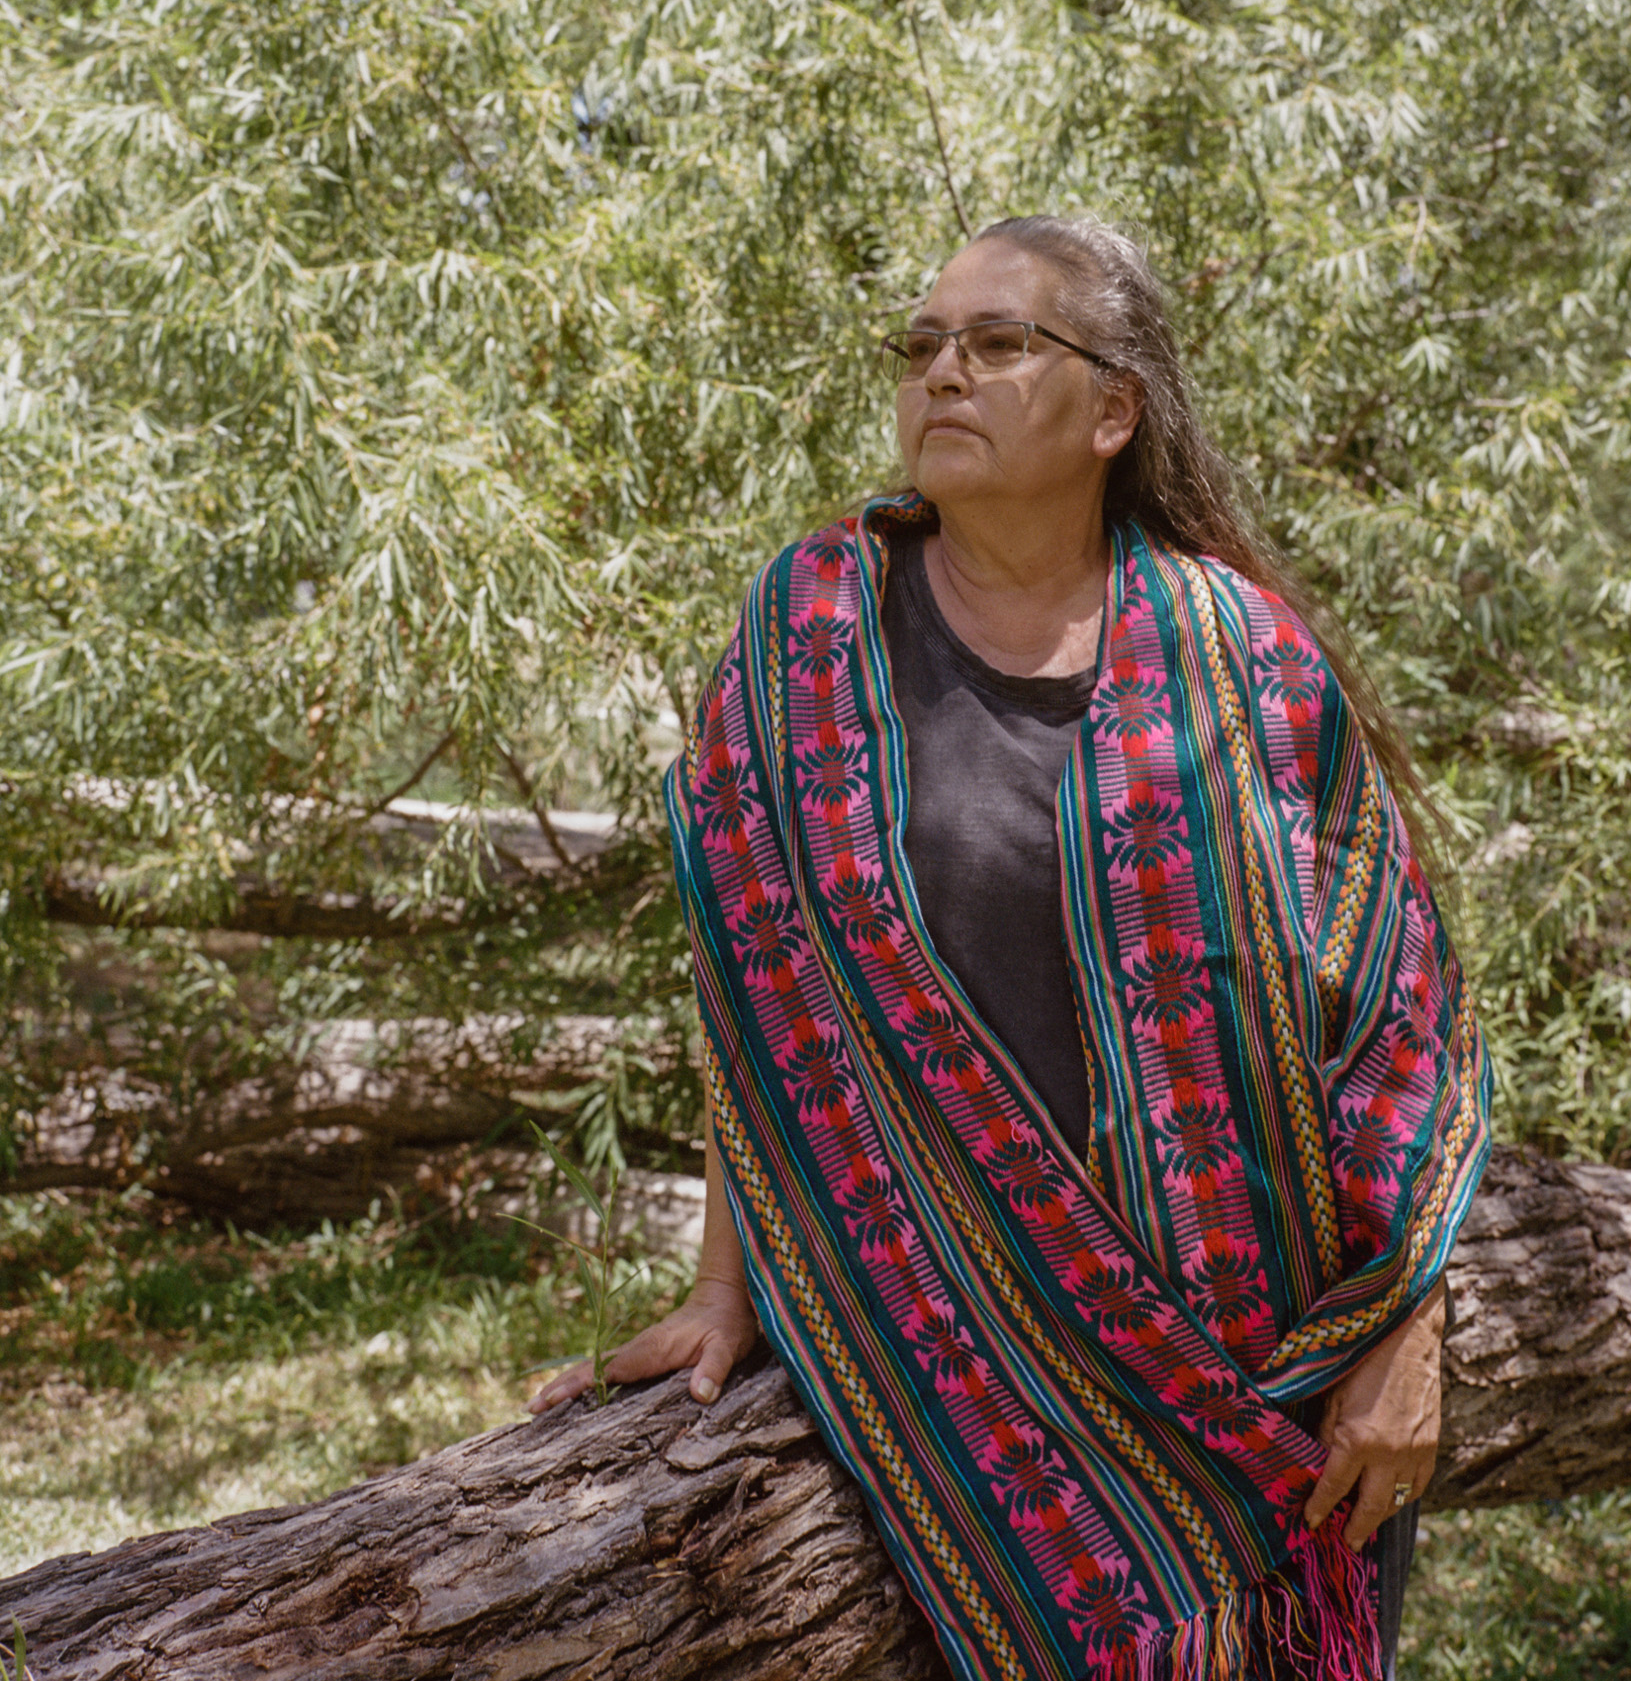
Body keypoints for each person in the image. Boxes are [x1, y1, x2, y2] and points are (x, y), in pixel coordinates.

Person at [531, 217, 1491, 1681]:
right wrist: (729, 1286)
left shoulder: (1247, 657)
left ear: (1115, 408)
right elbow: (765, 1003)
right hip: (949, 1379)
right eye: (920, 346)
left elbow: (1400, 1021)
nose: (941, 375)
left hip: (1273, 1407)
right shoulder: (808, 632)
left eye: (995, 343)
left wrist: (1409, 1329)